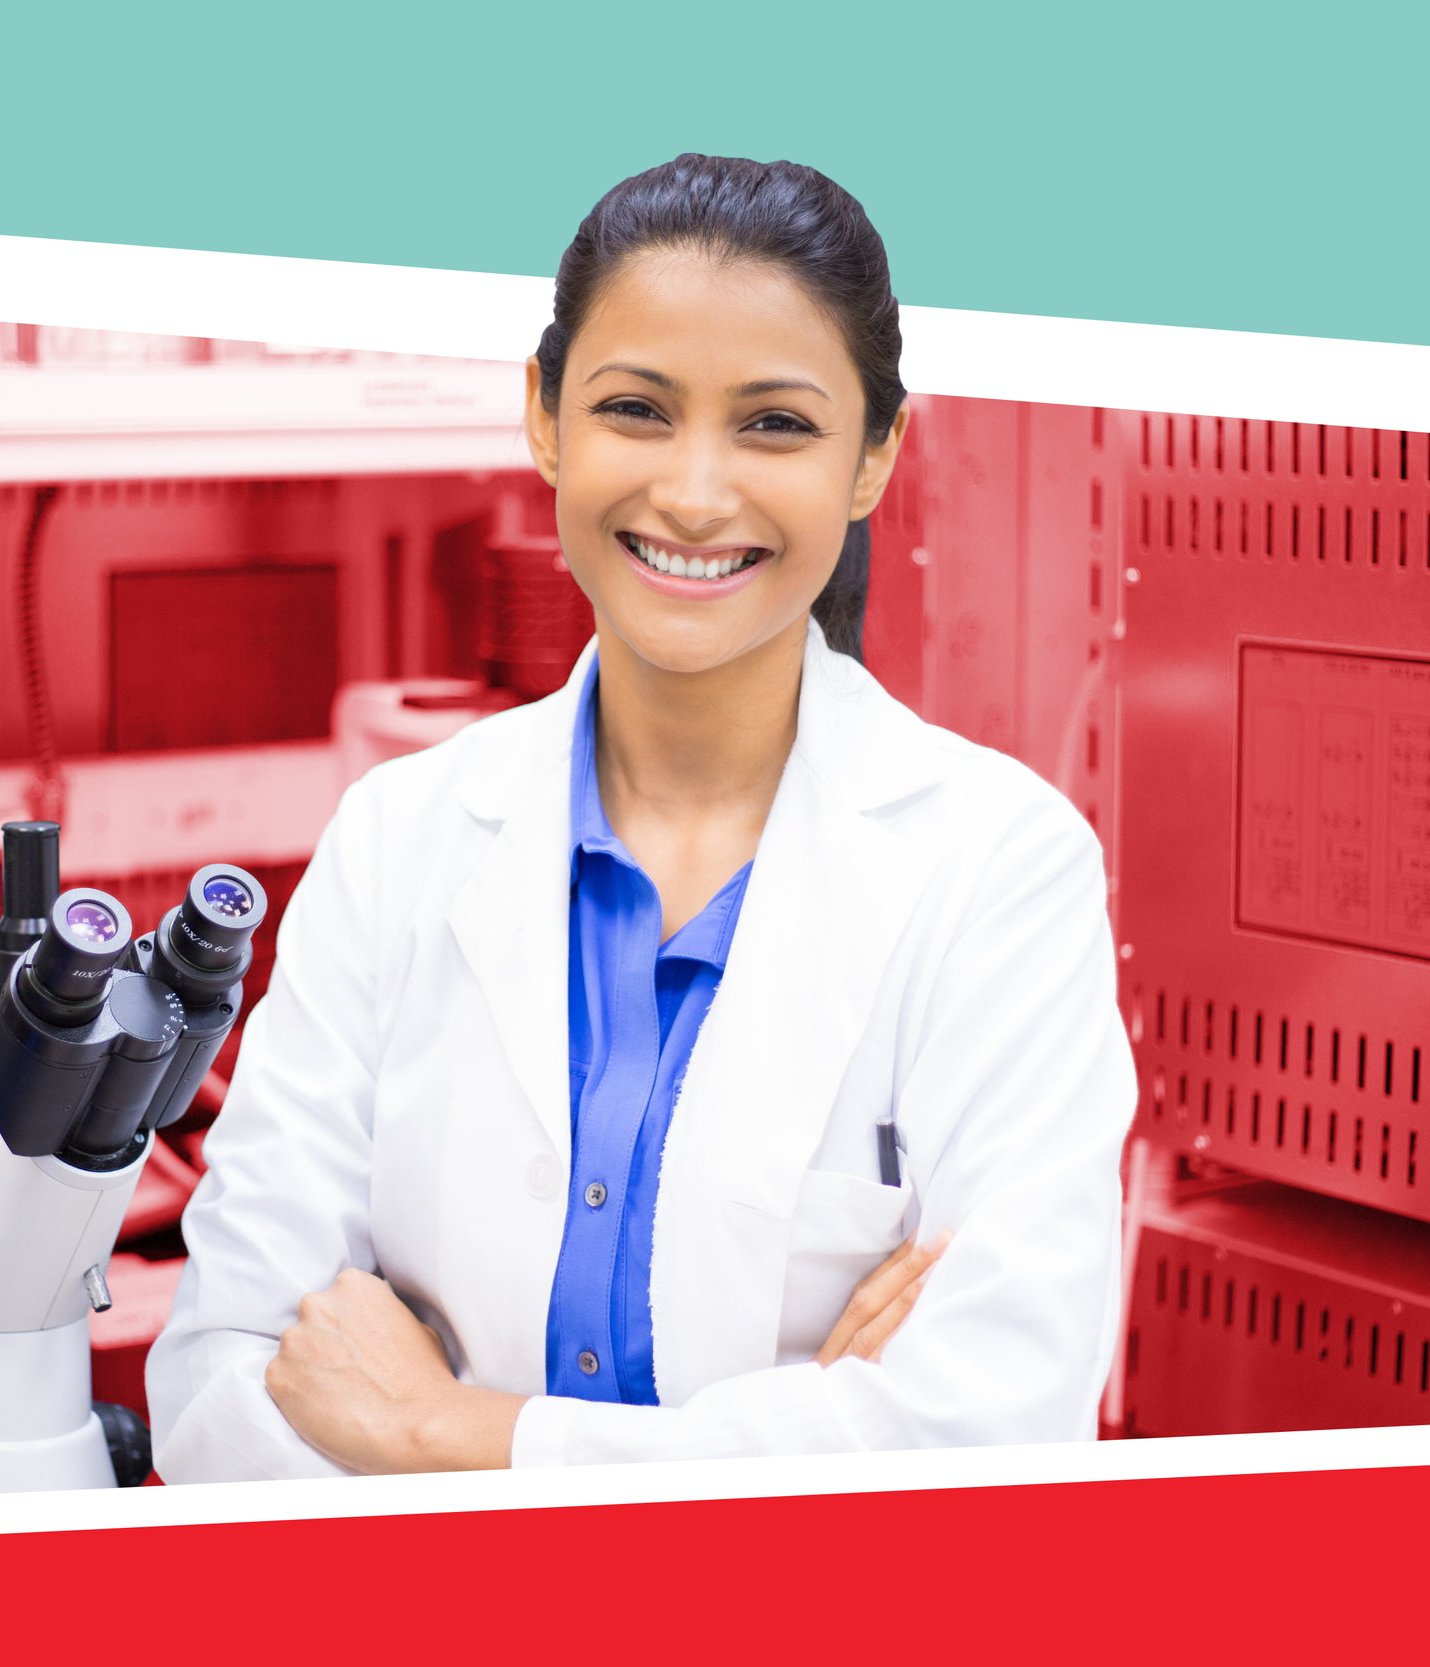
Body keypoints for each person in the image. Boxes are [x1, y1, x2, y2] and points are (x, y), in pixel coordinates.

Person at [144, 154, 1137, 1478]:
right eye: (637, 410)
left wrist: (435, 1431)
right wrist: (772, 1452)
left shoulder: (999, 871)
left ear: (873, 458)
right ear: (546, 421)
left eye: (776, 424)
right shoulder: (400, 843)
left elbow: (983, 1437)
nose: (696, 492)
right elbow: (222, 1390)